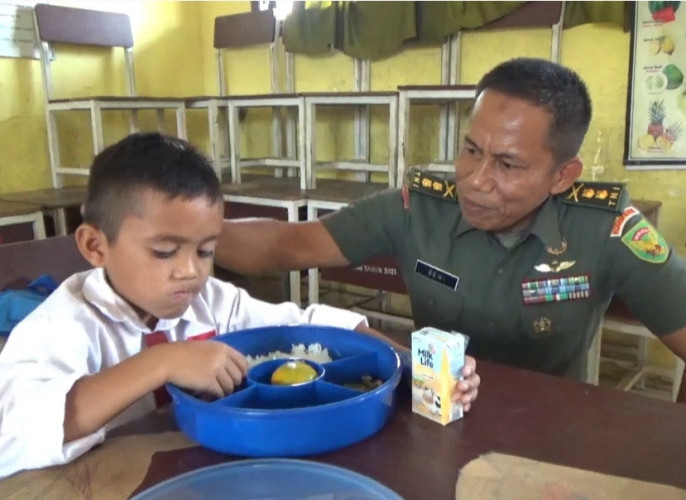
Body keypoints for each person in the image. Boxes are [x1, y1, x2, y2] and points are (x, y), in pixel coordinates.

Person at [215, 57, 686, 406]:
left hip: (548, 430)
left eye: (508, 164)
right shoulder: (418, 210)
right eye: (471, 150)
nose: (475, 179)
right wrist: (178, 239)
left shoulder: (607, 229)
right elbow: (286, 243)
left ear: (561, 176)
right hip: (432, 414)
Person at [0, 133, 475, 479]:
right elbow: (20, 432)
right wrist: (161, 362)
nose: (191, 271)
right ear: (95, 246)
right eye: (165, 252)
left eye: (206, 250)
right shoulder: (61, 325)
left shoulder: (211, 301)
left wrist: (418, 365)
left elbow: (304, 324)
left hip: (199, 476)